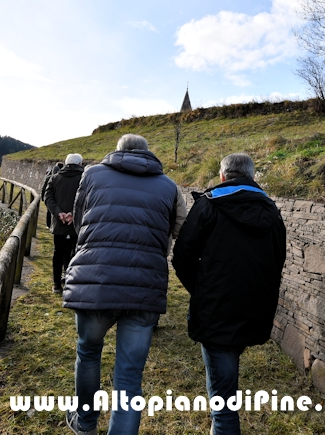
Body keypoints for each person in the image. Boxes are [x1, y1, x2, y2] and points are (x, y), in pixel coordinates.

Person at [63, 134, 186, 435]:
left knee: (88, 352)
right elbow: (180, 228)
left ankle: (85, 422)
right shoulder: (170, 186)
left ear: (117, 152)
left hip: (96, 281)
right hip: (144, 286)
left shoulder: (91, 174)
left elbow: (80, 221)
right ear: (148, 153)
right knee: (130, 377)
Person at [172, 153, 286, 435]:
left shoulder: (209, 205)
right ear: (252, 176)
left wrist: (200, 290)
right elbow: (278, 259)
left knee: (223, 402)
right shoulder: (271, 210)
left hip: (216, 310)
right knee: (226, 379)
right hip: (255, 310)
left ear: (222, 176)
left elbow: (182, 257)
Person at [43, 153, 84, 293]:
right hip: (77, 223)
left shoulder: (54, 178)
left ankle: (56, 284)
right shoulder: (84, 178)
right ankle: (70, 281)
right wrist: (73, 214)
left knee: (58, 252)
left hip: (59, 223)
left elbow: (48, 198)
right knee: (74, 252)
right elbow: (86, 200)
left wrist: (59, 213)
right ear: (80, 164)